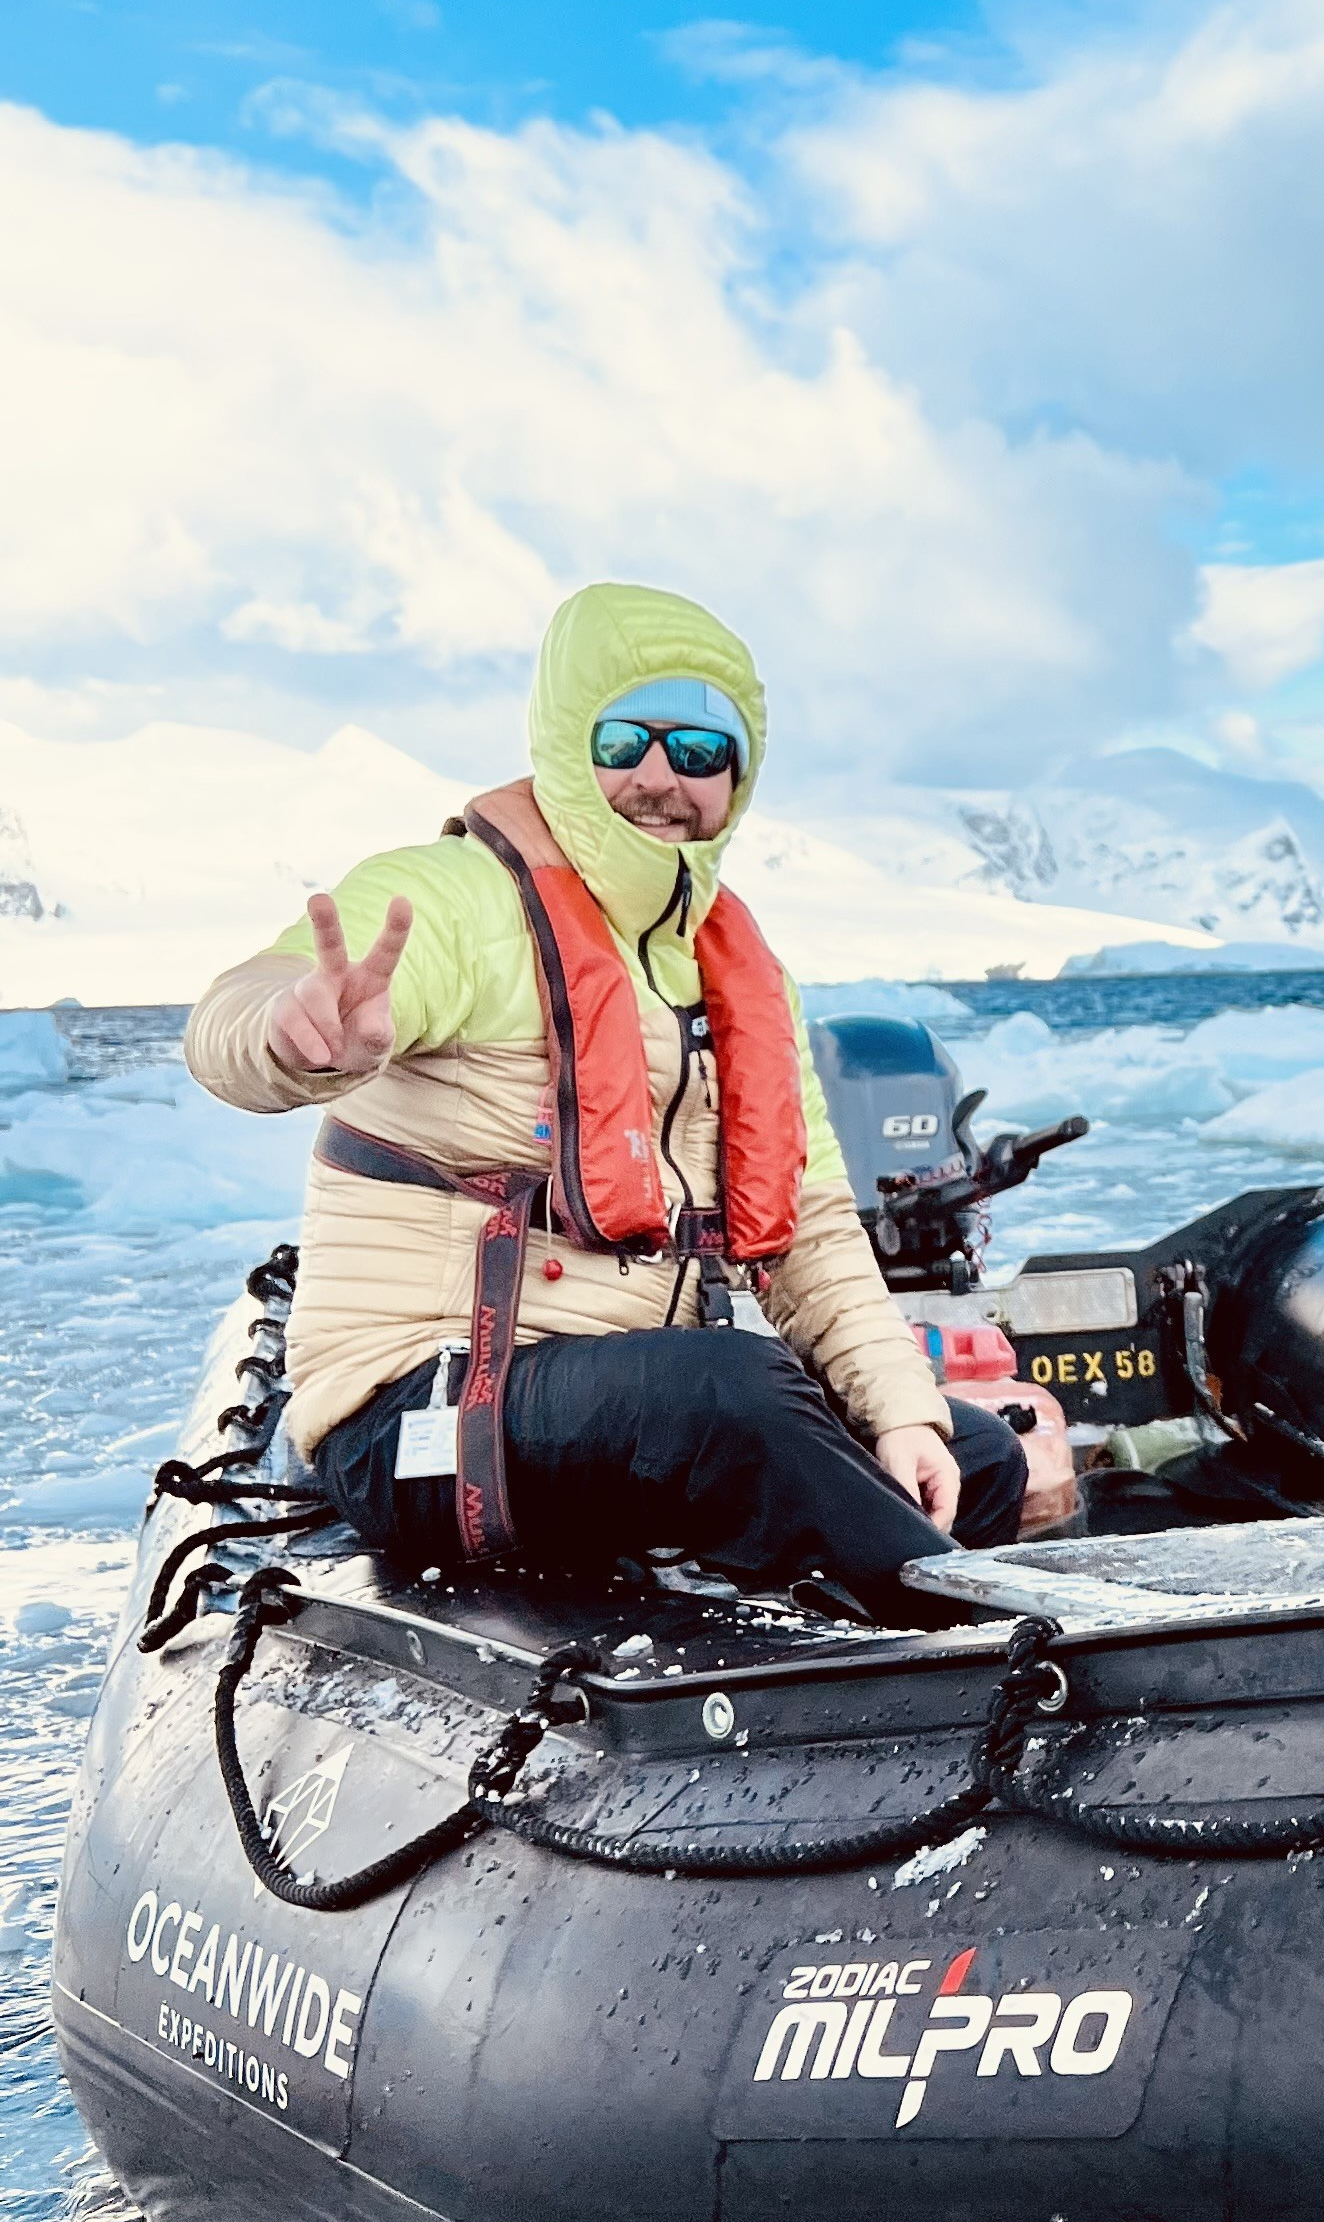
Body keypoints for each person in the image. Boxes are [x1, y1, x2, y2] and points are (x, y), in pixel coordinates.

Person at [185, 581, 1072, 1620]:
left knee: (977, 1455)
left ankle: (856, 1658)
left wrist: (905, 1414)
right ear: (569, 746)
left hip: (609, 1417)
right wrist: (292, 1036)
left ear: (737, 776)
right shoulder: (456, 901)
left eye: (698, 750)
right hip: (424, 1421)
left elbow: (814, 1229)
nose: (660, 778)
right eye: (624, 742)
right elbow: (240, 1013)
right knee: (730, 1389)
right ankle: (994, 1646)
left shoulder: (738, 969)